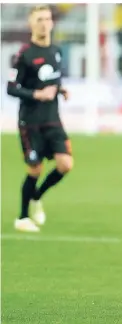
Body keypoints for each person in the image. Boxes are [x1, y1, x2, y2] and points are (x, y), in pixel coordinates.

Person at [6, 5, 73, 233]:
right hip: (30, 121)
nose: (44, 23)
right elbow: (11, 88)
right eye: (39, 19)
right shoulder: (23, 55)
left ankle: (37, 196)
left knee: (65, 164)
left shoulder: (56, 51)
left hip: (53, 119)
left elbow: (52, 79)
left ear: (52, 23)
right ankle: (22, 217)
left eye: (47, 19)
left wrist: (60, 90)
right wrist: (36, 94)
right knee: (35, 169)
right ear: (31, 24)